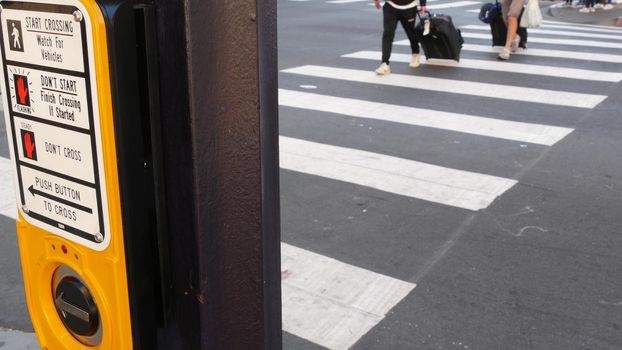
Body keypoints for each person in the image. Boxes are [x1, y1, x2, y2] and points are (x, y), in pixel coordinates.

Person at [374, 0, 427, 75]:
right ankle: (385, 64)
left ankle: (415, 53)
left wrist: (423, 4)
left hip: (409, 6)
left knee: (410, 32)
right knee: (388, 33)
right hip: (390, 5)